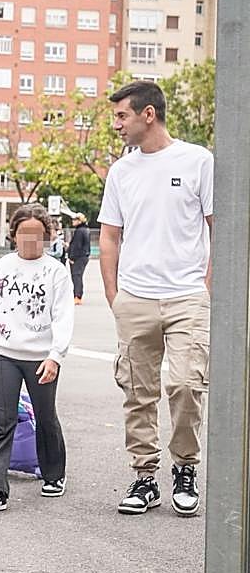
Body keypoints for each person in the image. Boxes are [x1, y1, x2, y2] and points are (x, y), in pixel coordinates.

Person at [99, 79, 213, 517]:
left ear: (149, 114)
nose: (117, 125)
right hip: (135, 298)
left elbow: (217, 223)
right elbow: (110, 236)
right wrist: (114, 295)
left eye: (122, 115)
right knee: (137, 391)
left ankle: (185, 468)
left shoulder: (198, 160)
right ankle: (144, 476)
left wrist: (207, 287)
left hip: (187, 295)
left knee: (186, 384)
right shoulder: (122, 172)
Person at [0, 203, 73, 512]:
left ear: (47, 236)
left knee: (45, 416)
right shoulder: (2, 266)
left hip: (41, 356)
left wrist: (56, 356)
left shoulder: (55, 271)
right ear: (13, 235)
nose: (30, 240)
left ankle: (54, 473)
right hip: (5, 354)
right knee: (4, 420)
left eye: (37, 234)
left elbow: (63, 315)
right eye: (24, 233)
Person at [67, 213, 90, 304]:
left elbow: (77, 246)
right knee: (78, 276)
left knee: (76, 276)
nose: (73, 221)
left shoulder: (79, 231)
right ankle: (77, 295)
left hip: (79, 257)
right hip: (84, 256)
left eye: (75, 220)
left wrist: (72, 257)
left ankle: (77, 296)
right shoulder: (85, 230)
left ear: (80, 221)